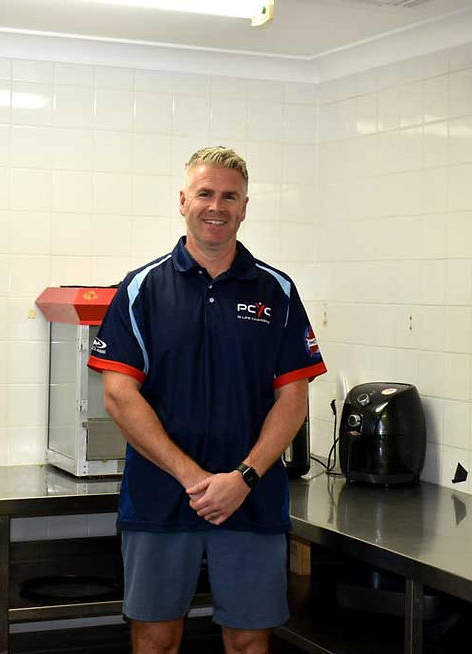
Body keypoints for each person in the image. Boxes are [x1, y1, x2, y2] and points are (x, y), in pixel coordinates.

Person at [87, 146, 327, 654]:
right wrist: (195, 479)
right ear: (183, 200)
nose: (216, 206)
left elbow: (293, 397)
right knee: (155, 639)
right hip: (160, 496)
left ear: (244, 207)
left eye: (229, 196)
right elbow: (118, 395)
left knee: (247, 640)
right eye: (205, 193)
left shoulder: (277, 291)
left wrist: (242, 478)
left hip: (252, 496)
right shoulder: (142, 288)